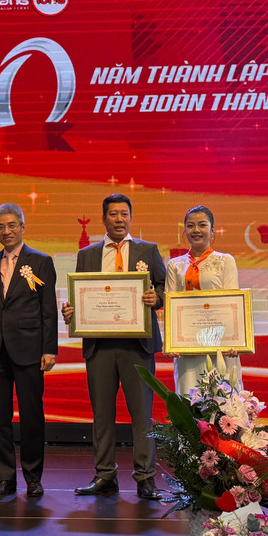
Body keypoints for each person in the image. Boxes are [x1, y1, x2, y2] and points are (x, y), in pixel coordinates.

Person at [61, 193, 164, 500]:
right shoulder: (89, 253)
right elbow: (82, 292)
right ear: (103, 218)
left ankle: (145, 477)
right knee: (102, 414)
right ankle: (105, 475)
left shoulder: (148, 249)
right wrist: (72, 311)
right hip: (101, 346)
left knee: (142, 414)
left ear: (131, 218)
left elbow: (162, 286)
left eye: (124, 214)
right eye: (113, 214)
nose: (119, 219)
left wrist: (154, 298)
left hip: (137, 345)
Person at [0, 204, 57, 497]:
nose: (6, 231)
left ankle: (33, 478)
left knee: (32, 416)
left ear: (22, 227)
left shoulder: (41, 261)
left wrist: (50, 349)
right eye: (0, 226)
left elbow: (48, 310)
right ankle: (5, 477)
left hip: (30, 350)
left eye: (11, 225)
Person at [165, 205, 241, 395]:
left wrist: (236, 341)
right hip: (187, 349)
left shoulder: (226, 261)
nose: (196, 230)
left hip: (220, 346)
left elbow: (233, 304)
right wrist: (171, 342)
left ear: (212, 231)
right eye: (190, 226)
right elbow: (170, 307)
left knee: (222, 402)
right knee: (188, 400)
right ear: (184, 231)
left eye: (202, 225)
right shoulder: (174, 265)